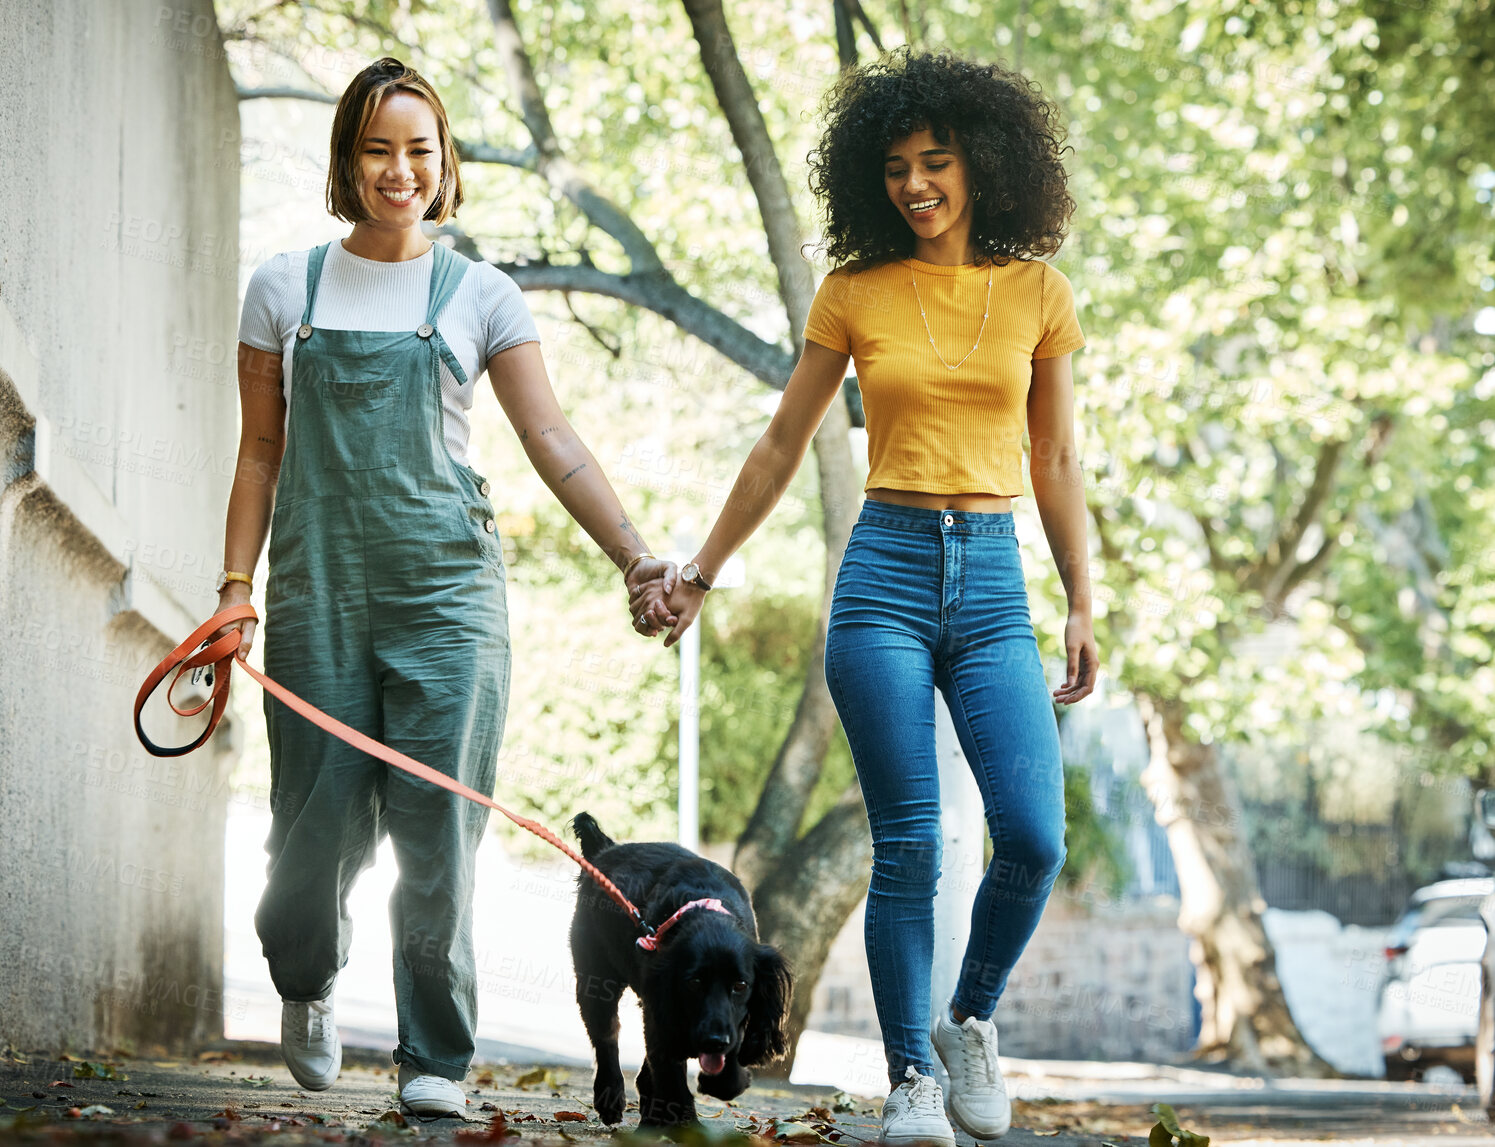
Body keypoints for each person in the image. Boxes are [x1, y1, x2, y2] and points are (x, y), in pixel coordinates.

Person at [636, 51, 1098, 1146]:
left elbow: (1060, 457)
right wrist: (699, 571)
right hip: (883, 570)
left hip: (991, 579)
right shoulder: (853, 291)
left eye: (935, 160)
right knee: (913, 842)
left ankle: (967, 1023)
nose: (915, 184)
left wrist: (1084, 598)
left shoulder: (1038, 292)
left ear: (984, 163)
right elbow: (781, 444)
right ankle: (909, 1081)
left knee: (1033, 837)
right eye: (893, 166)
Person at [214, 58, 675, 1115]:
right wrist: (237, 584)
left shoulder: (481, 295)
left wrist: (633, 554)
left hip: (447, 595)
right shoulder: (285, 288)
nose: (399, 169)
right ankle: (307, 979)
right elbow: (257, 455)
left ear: (446, 161)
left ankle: (435, 1054)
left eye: (419, 148)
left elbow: (552, 439)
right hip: (317, 589)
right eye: (377, 148)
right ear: (346, 161)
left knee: (438, 831)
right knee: (311, 827)